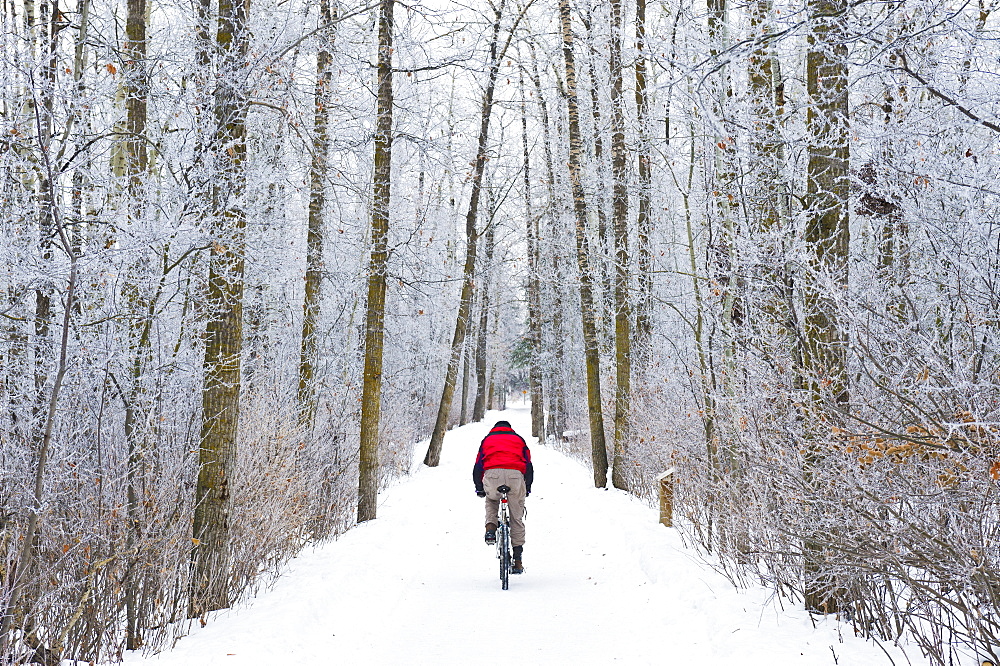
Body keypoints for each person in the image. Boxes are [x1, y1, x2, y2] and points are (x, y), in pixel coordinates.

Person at [473, 420, 533, 574]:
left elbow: (478, 466)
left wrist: (479, 488)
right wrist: (527, 488)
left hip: (492, 475)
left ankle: (491, 529)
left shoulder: (487, 440)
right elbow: (528, 465)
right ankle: (518, 560)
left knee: (491, 500)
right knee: (516, 518)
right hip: (515, 476)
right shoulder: (519, 439)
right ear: (510, 429)